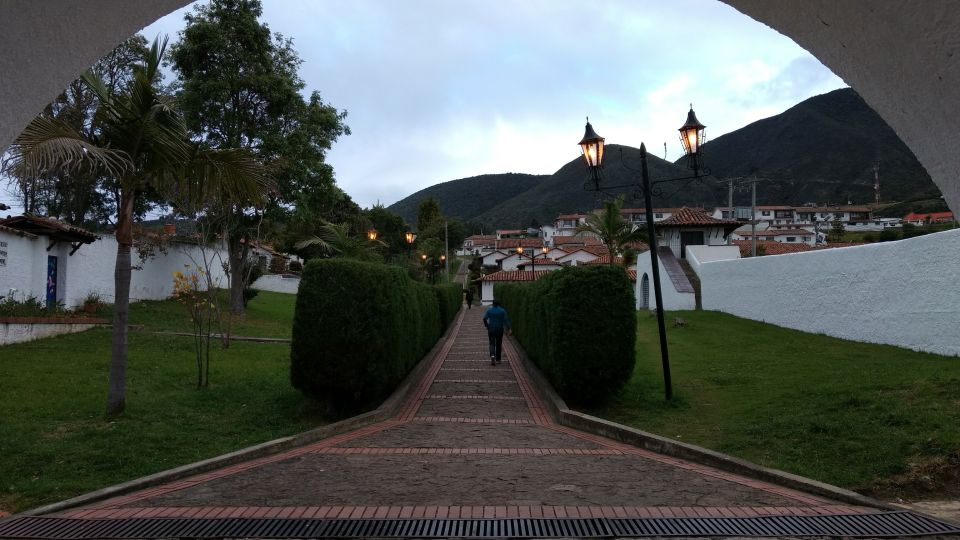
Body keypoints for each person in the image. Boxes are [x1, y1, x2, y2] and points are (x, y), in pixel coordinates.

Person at [482, 299, 511, 365]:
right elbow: (506, 320)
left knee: (492, 343)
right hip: (500, 329)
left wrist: (487, 326)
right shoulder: (502, 311)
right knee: (498, 343)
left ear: (493, 304)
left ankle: (492, 355)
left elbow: (484, 318)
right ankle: (498, 359)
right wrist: (509, 328)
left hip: (491, 328)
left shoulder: (490, 310)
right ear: (499, 304)